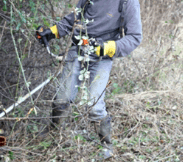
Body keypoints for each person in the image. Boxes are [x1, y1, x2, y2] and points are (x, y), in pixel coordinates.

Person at [36, 0, 142, 160]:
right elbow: (75, 19)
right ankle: (53, 131)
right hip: (78, 49)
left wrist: (108, 48)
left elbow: (134, 37)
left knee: (95, 106)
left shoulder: (127, 2)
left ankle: (106, 145)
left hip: (103, 56)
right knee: (62, 98)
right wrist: (52, 32)